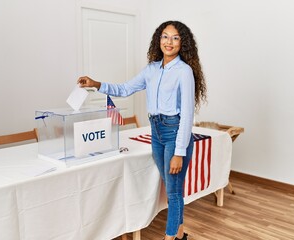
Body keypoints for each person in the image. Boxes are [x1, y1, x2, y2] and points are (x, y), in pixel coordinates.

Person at [77, 20, 207, 240]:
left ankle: (169, 238)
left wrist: (179, 151)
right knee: (170, 188)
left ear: (182, 43)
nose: (169, 42)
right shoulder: (151, 69)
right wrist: (96, 83)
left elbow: (187, 115)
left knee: (174, 193)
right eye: (165, 36)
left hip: (174, 132)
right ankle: (181, 235)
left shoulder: (184, 72)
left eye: (175, 38)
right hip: (155, 132)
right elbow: (125, 89)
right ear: (159, 39)